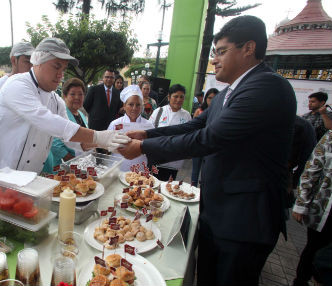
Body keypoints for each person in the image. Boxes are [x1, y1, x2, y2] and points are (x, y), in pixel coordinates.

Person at [118, 15, 296, 285]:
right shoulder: (228, 92)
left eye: (222, 52)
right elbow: (194, 126)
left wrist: (142, 146)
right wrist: (146, 133)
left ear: (249, 48)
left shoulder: (267, 87)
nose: (215, 59)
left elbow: (208, 138)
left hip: (244, 219)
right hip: (218, 210)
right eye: (215, 53)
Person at [0, 38, 129, 192]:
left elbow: (68, 137)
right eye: (56, 66)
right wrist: (99, 136)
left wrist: (103, 143)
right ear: (38, 62)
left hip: (26, 180)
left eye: (63, 69)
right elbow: (46, 120)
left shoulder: (55, 100)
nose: (61, 74)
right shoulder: (17, 84)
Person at [292, 130, 332, 286]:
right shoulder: (330, 136)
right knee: (313, 249)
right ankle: (301, 281)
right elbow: (312, 169)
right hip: (323, 209)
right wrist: (301, 204)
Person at [42, 78, 90, 173]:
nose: (77, 97)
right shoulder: (59, 114)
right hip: (62, 165)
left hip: (80, 164)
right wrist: (73, 161)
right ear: (64, 96)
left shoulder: (81, 114)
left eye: (80, 94)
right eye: (72, 94)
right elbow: (55, 143)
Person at [148, 84, 191, 181]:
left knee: (168, 186)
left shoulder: (186, 115)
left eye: (181, 97)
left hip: (174, 160)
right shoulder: (159, 112)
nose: (178, 100)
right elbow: (149, 132)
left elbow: (188, 136)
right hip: (157, 158)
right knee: (153, 184)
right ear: (169, 97)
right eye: (175, 96)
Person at [108, 85, 154, 172]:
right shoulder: (115, 124)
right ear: (124, 106)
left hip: (140, 168)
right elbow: (107, 146)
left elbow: (153, 148)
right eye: (131, 104)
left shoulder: (149, 125)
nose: (134, 108)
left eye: (138, 105)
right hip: (118, 168)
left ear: (142, 106)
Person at [0, 42, 34, 116]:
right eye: (27, 62)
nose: (31, 67)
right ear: (14, 60)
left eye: (33, 62)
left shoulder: (33, 86)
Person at [190, 88, 219, 186]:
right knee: (195, 170)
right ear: (206, 98)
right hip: (198, 144)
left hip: (211, 147)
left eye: (214, 98)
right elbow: (192, 127)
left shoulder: (220, 112)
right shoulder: (200, 111)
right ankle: (193, 188)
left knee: (207, 171)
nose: (211, 100)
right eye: (209, 98)